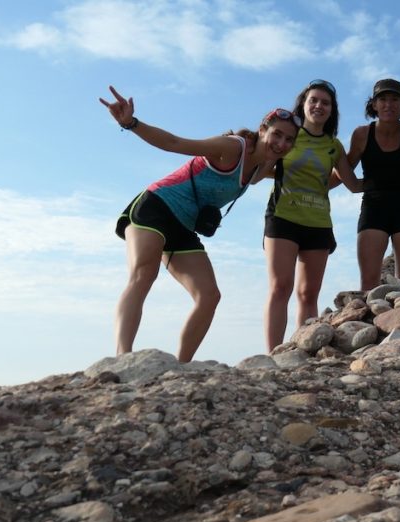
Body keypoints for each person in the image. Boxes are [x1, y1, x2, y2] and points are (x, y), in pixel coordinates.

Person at [100, 85, 300, 362]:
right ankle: (123, 358)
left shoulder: (262, 167)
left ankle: (181, 366)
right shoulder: (232, 147)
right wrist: (130, 123)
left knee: (209, 296)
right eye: (276, 134)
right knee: (143, 274)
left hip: (183, 227)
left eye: (289, 140)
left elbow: (308, 174)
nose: (281, 143)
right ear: (263, 129)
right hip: (156, 207)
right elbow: (175, 143)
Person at [263, 79, 361, 351]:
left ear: (332, 110)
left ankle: (302, 352)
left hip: (318, 223)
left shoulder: (333, 146)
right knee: (280, 288)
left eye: (325, 103)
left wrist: (385, 179)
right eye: (313, 101)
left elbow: (352, 183)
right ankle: (273, 354)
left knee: (308, 294)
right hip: (282, 218)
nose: (319, 106)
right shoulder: (287, 135)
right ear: (303, 105)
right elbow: (263, 166)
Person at [346, 79, 400, 290]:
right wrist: (323, 184)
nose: (389, 104)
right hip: (373, 209)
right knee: (368, 283)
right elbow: (343, 168)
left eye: (394, 99)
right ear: (374, 104)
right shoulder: (361, 135)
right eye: (383, 99)